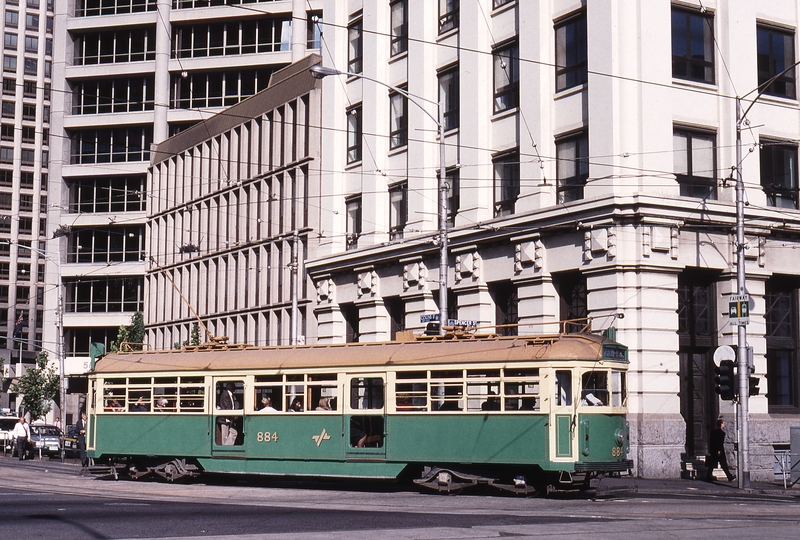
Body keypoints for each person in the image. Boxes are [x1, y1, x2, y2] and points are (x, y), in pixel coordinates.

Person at [706, 418, 735, 482]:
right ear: (721, 424)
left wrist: (710, 450)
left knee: (711, 464)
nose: (724, 424)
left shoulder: (713, 432)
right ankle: (729, 477)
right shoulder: (722, 433)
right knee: (723, 464)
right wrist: (719, 450)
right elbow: (720, 442)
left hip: (713, 450)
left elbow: (711, 441)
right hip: (719, 451)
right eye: (723, 423)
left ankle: (708, 476)